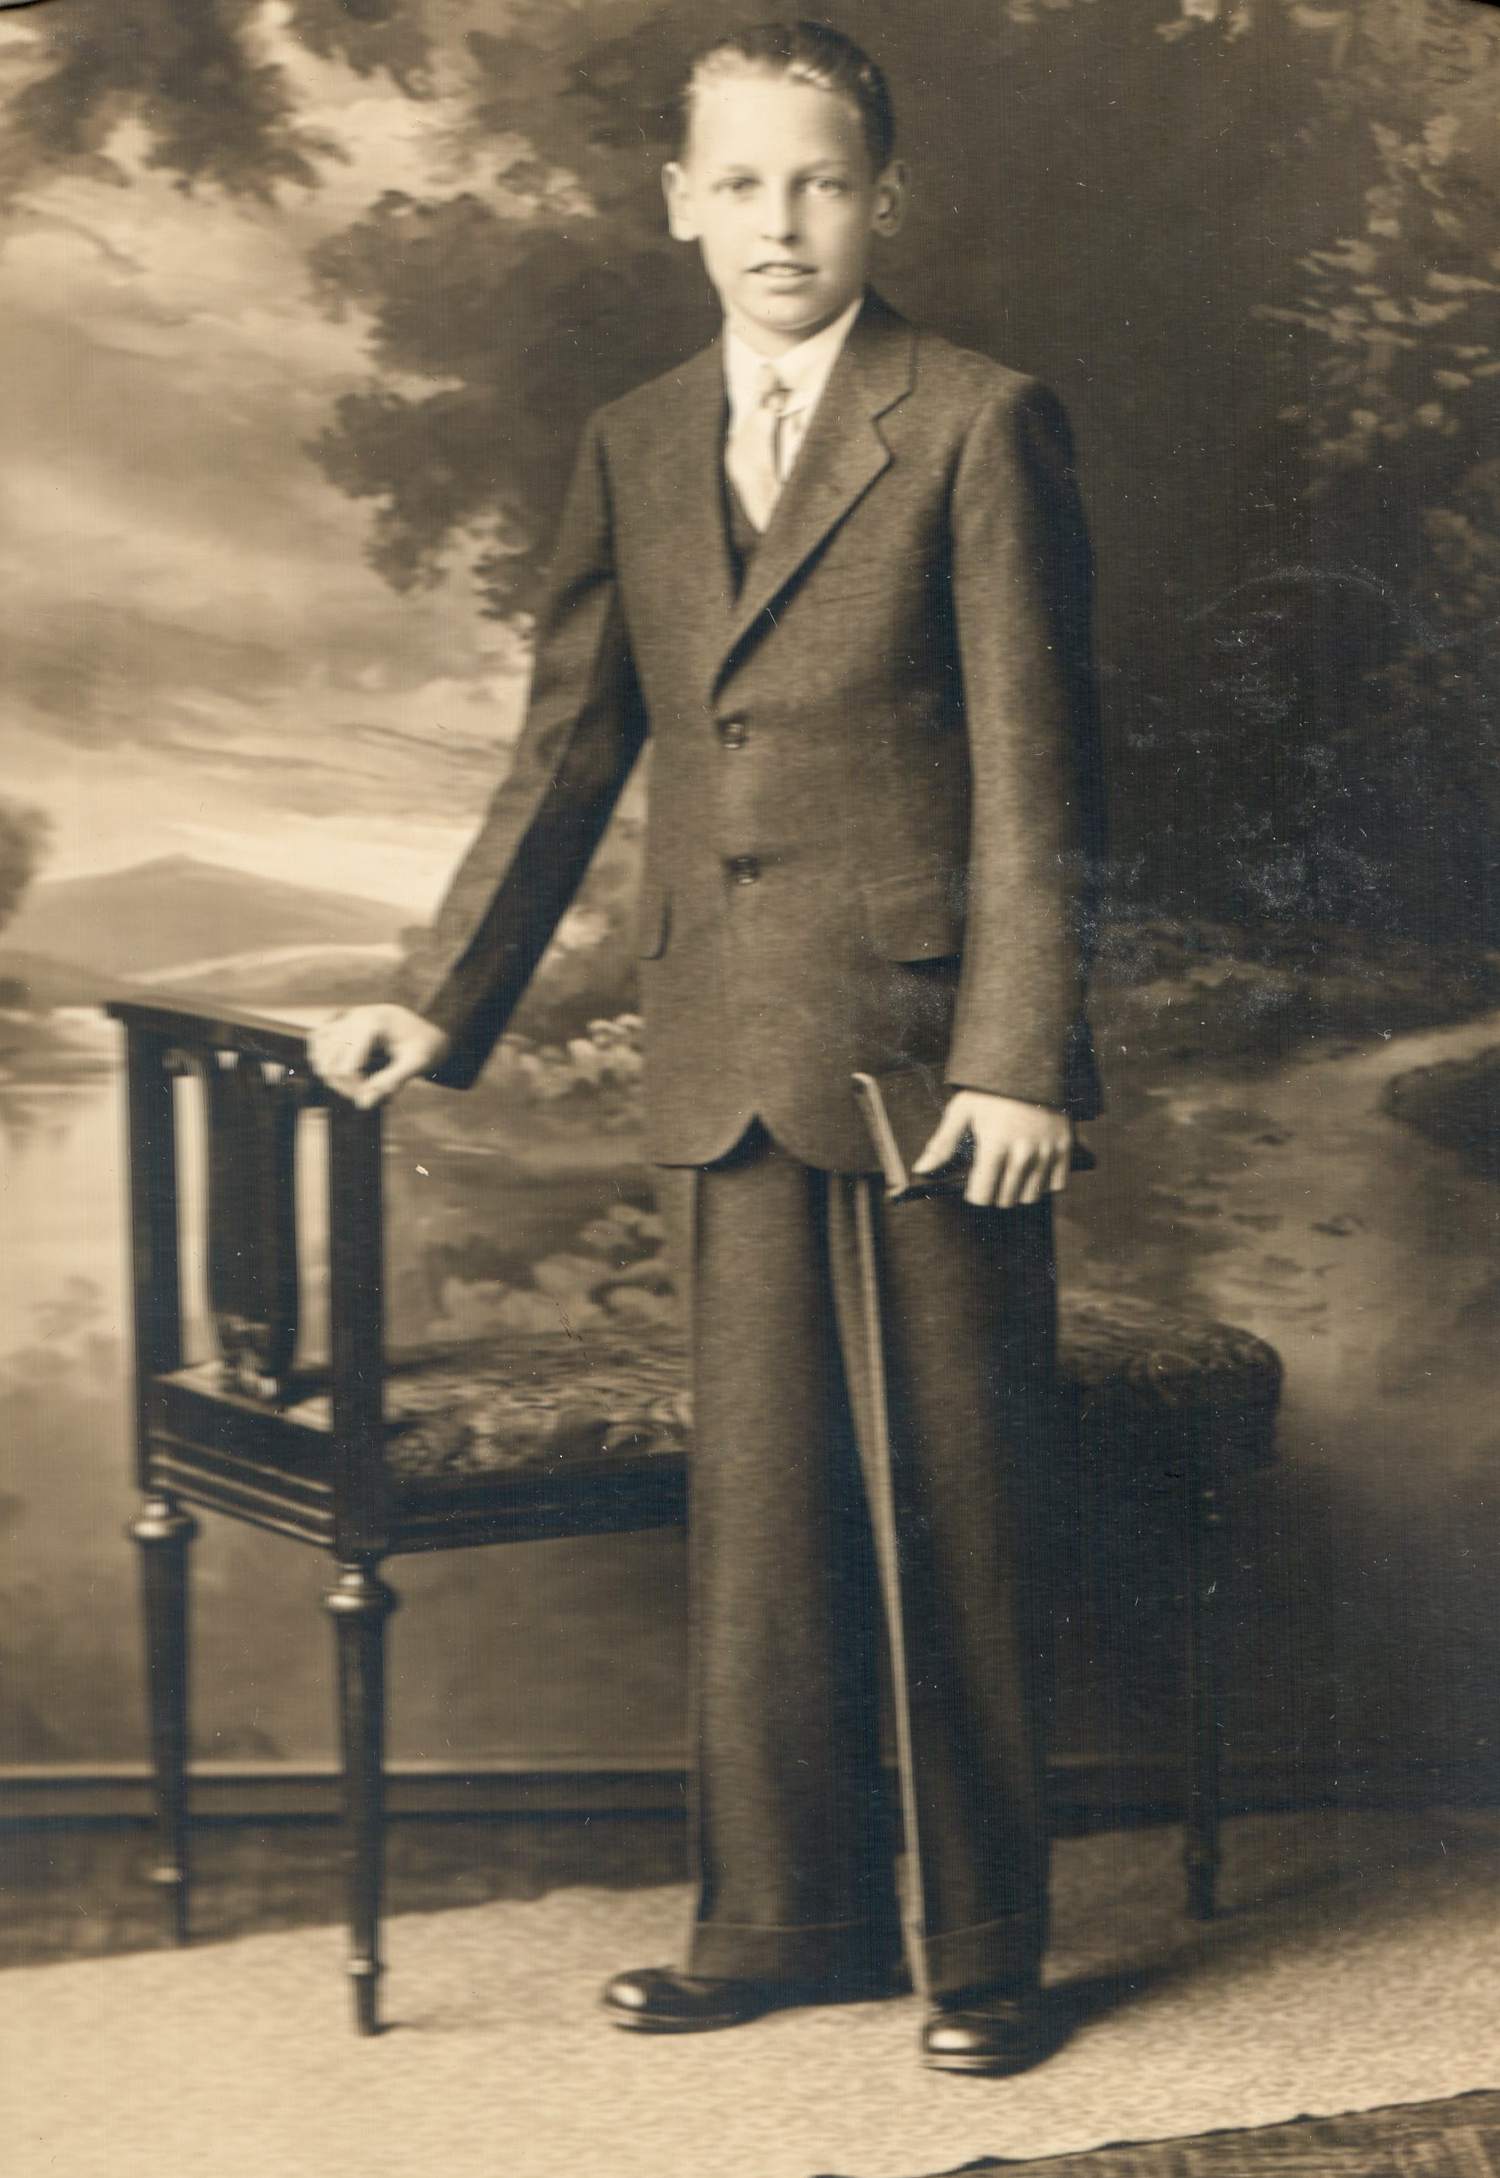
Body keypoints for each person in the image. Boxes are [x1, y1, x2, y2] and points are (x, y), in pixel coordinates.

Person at [310, 19, 1103, 2077]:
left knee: (953, 1496)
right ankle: (779, 1922)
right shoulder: (639, 437)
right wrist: (442, 991)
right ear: (677, 202)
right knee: (761, 1515)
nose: (781, 219)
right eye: (740, 181)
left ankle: (986, 1946)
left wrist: (1020, 1058)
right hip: (721, 1052)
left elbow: (1041, 772)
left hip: (930, 1064)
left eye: (822, 179)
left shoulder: (980, 420)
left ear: (885, 201)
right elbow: (570, 745)